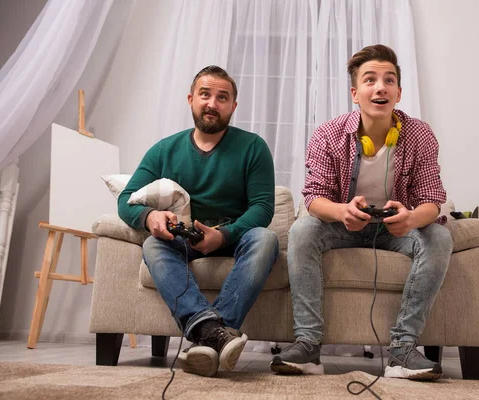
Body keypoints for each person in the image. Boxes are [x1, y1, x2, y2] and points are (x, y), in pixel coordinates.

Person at [270, 45, 452, 380]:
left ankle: (402, 350)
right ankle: (308, 345)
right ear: (355, 93)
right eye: (370, 80)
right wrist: (341, 212)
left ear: (398, 92)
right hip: (344, 225)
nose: (380, 87)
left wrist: (411, 218)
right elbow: (313, 198)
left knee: (439, 236)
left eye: (389, 80)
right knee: (302, 230)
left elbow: (433, 199)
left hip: (396, 229)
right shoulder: (328, 134)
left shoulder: (421, 135)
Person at [118, 65, 279, 377]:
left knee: (266, 239)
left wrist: (223, 235)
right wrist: (149, 216)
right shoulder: (164, 150)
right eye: (205, 94)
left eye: (222, 97)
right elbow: (126, 199)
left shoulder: (253, 147)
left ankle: (205, 337)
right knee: (153, 244)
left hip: (234, 238)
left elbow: (263, 207)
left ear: (234, 106)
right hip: (185, 238)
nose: (212, 103)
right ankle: (213, 332)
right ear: (191, 99)